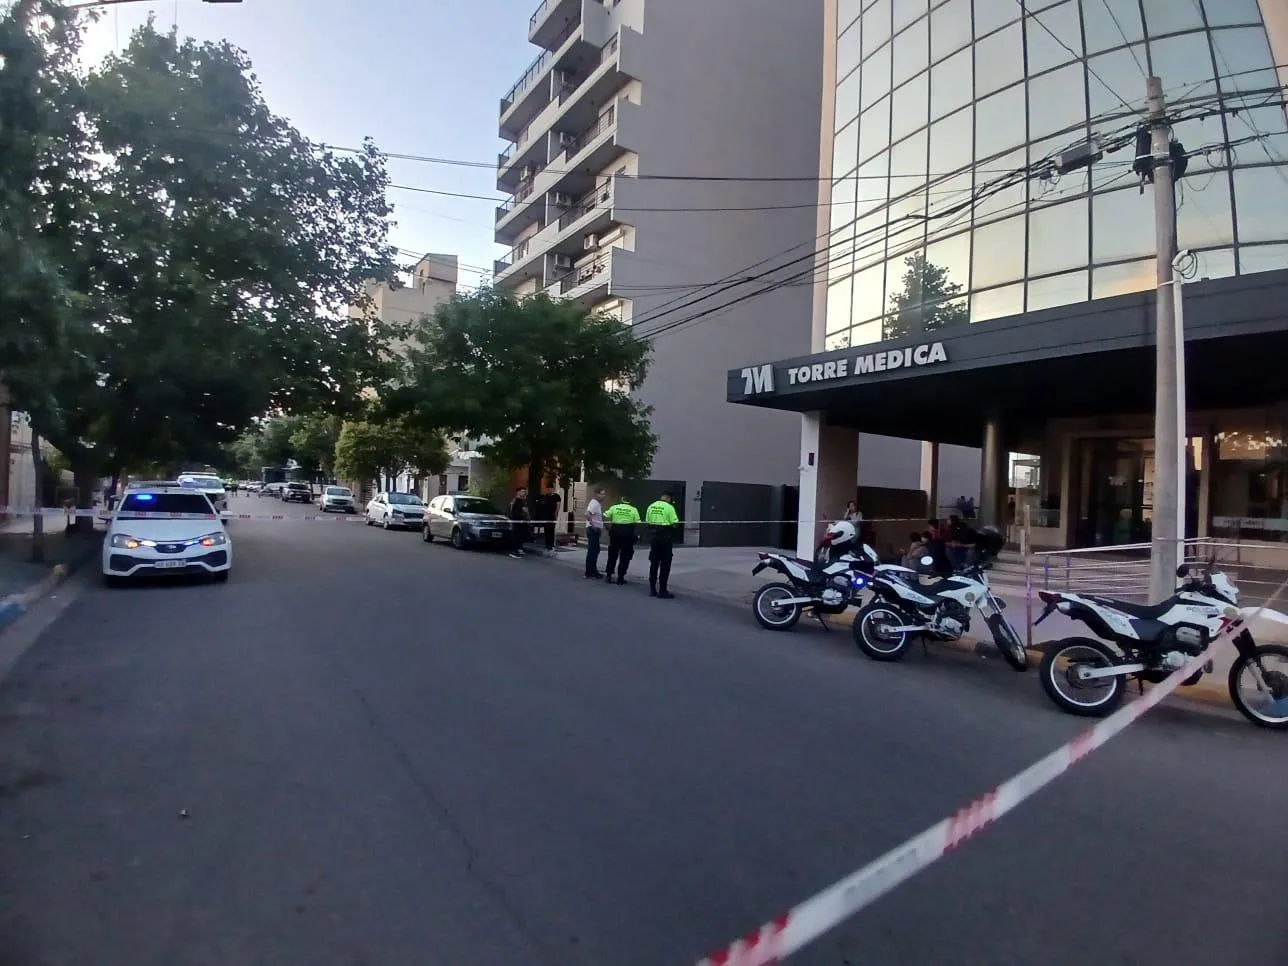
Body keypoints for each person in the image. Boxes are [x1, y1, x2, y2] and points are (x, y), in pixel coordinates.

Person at [644, 492, 681, 598]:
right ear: (668, 498)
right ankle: (662, 590)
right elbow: (675, 523)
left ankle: (652, 589)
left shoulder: (651, 506)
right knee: (665, 564)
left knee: (654, 563)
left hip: (654, 538)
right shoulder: (669, 507)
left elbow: (647, 522)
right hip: (665, 538)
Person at [602, 496, 641, 584]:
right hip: (628, 533)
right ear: (630, 501)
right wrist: (637, 535)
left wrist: (608, 527)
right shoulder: (633, 509)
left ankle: (609, 575)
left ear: (622, 499)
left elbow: (604, 516)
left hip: (615, 532)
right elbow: (638, 523)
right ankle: (620, 578)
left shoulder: (614, 507)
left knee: (612, 555)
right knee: (625, 556)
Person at [584, 487, 605, 579]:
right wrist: (593, 525)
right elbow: (587, 514)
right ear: (596, 494)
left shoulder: (597, 504)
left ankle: (593, 571)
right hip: (593, 530)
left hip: (595, 530)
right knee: (593, 551)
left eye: (604, 494)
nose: (603, 496)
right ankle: (590, 572)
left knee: (595, 550)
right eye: (602, 494)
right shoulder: (594, 503)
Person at [507, 486, 531, 559]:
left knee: (520, 535)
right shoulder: (519, 500)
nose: (524, 493)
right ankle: (514, 552)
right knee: (516, 535)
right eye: (522, 492)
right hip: (517, 520)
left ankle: (519, 549)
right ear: (518, 492)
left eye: (524, 492)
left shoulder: (515, 500)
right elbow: (525, 511)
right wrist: (528, 519)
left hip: (518, 520)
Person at [543, 488, 562, 553]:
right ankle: (547, 545)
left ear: (553, 489)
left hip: (552, 515)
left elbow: (558, 505)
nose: (549, 490)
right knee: (546, 529)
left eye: (550, 489)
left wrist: (556, 514)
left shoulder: (556, 496)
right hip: (546, 515)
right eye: (548, 489)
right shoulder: (546, 496)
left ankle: (551, 545)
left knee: (551, 529)